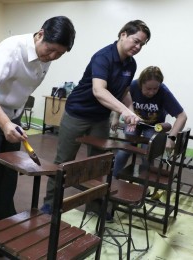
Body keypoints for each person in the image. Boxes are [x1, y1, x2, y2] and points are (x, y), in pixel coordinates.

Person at [0, 16, 76, 257]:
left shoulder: (46, 56)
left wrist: (11, 121)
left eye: (58, 55)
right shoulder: (12, 48)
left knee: (9, 170)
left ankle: (7, 224)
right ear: (39, 34)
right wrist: (4, 122)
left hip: (12, 115)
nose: (51, 57)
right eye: (50, 50)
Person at [41, 19, 151, 214]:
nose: (138, 46)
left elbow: (124, 92)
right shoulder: (103, 57)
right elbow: (99, 91)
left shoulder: (131, 64)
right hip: (77, 114)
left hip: (100, 118)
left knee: (99, 164)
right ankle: (51, 202)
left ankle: (94, 204)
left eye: (142, 44)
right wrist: (123, 111)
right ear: (123, 34)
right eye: (136, 41)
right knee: (64, 161)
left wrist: (130, 110)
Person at [111, 66, 187, 176]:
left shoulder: (164, 92)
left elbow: (182, 116)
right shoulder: (132, 86)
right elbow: (120, 100)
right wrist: (115, 117)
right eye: (148, 89)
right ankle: (114, 177)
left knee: (147, 154)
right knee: (124, 151)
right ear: (141, 84)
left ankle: (144, 184)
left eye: (155, 89)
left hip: (153, 126)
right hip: (134, 123)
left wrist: (171, 138)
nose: (152, 92)